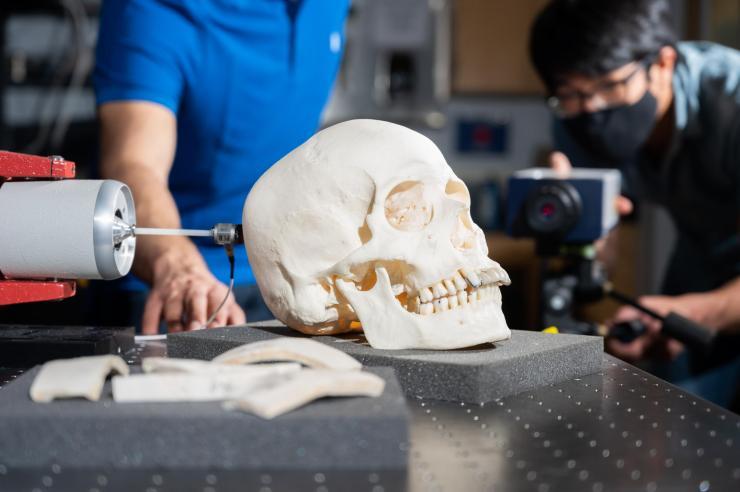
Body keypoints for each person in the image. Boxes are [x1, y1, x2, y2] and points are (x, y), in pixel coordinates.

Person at [93, 0, 350, 334]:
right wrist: (178, 267)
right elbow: (134, 166)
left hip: (295, 276)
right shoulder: (153, 9)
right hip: (182, 290)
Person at [529, 0, 740, 406]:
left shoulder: (732, 102)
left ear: (662, 63)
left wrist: (695, 312)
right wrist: (580, 231)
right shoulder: (574, 115)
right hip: (699, 248)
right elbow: (600, 255)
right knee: (668, 391)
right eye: (571, 94)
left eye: (610, 86)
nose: (593, 109)